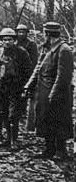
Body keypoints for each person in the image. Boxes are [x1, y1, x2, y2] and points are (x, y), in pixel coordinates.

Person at [24, 22, 73, 160]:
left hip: (58, 93)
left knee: (58, 121)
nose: (43, 36)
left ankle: (61, 151)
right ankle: (49, 149)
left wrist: (53, 94)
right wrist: (29, 84)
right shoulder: (46, 48)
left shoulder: (64, 50)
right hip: (43, 91)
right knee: (45, 120)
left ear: (48, 34)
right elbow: (38, 68)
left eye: (45, 34)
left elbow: (63, 76)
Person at [0, 28, 32, 147]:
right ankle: (8, 138)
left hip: (16, 86)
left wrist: (25, 87)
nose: (7, 42)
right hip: (2, 86)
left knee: (13, 114)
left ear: (14, 40)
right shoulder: (0, 51)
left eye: (10, 39)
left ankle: (14, 139)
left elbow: (28, 70)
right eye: (5, 40)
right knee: (3, 112)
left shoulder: (21, 52)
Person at [15, 24, 39, 130]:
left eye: (23, 32)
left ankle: (23, 111)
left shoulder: (31, 44)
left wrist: (31, 72)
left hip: (27, 70)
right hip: (16, 71)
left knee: (25, 91)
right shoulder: (15, 43)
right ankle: (18, 111)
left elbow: (34, 60)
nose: (21, 34)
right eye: (19, 32)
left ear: (26, 33)